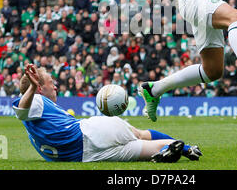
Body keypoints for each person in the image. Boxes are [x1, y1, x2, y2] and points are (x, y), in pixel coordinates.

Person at [13, 64, 202, 163]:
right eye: (50, 82)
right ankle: (186, 148)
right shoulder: (36, 100)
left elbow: (24, 114)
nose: (54, 86)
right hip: (90, 133)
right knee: (140, 134)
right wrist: (30, 88)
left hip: (85, 156)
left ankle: (176, 149)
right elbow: (22, 111)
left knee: (144, 149)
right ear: (37, 87)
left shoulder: (35, 124)